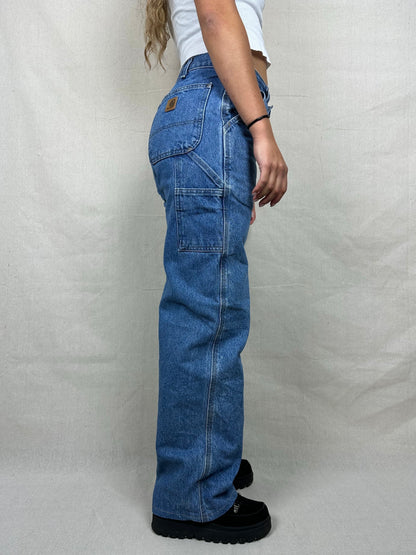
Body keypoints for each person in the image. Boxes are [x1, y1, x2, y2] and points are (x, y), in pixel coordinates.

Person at [144, 0, 288, 544]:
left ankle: (207, 457)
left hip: (207, 114)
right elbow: (215, 15)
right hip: (216, 109)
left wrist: (237, 150)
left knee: (207, 304)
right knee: (208, 312)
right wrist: (260, 130)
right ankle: (194, 495)